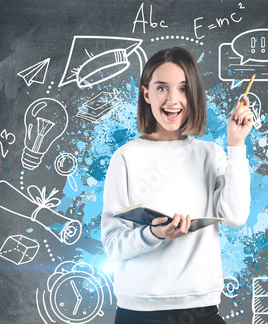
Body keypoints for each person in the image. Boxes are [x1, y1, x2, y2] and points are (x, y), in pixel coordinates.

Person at [101, 47, 253, 324]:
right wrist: (155, 234)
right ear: (146, 94)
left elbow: (236, 216)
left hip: (201, 308)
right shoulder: (125, 157)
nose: (173, 100)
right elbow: (113, 245)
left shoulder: (212, 154)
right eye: (162, 88)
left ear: (193, 94)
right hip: (139, 310)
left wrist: (236, 145)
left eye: (183, 89)